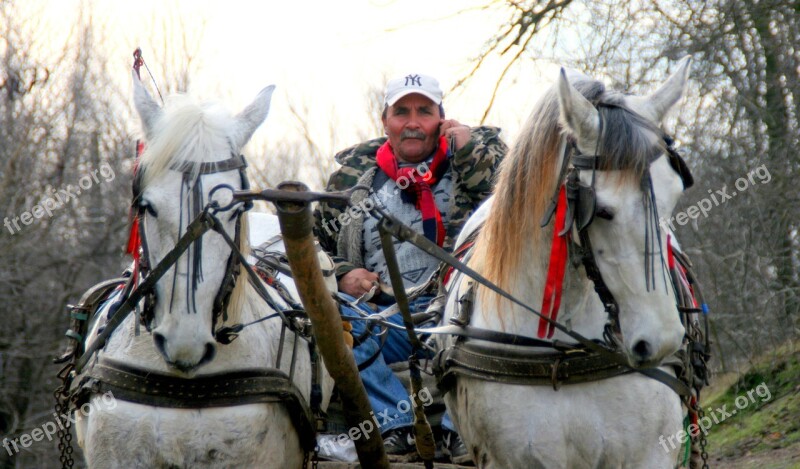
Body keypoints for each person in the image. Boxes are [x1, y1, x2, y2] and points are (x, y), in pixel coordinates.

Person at [314, 73, 506, 464]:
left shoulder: (471, 167)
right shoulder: (353, 179)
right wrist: (344, 271)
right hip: (390, 320)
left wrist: (468, 148)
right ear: (386, 121)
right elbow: (315, 247)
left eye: (425, 111)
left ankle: (462, 433)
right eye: (401, 112)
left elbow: (513, 199)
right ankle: (394, 427)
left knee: (501, 315)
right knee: (333, 316)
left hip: (464, 317)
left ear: (442, 119)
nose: (413, 121)